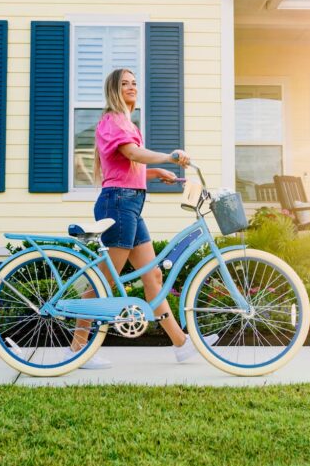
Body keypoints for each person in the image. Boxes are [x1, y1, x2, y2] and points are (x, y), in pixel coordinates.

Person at [67, 68, 217, 369]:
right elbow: (133, 154)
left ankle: (181, 344)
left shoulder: (126, 122)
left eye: (134, 83)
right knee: (104, 280)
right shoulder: (112, 121)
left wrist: (156, 173)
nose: (132, 88)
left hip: (129, 203)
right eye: (125, 84)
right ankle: (78, 349)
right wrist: (168, 157)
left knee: (153, 276)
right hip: (118, 205)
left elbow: (127, 166)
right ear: (114, 90)